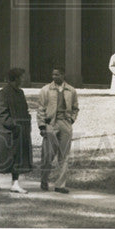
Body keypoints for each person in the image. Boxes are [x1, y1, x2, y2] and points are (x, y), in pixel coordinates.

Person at [0, 67, 33, 194]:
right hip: (8, 131)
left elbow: (25, 110)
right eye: (22, 77)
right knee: (5, 157)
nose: (23, 79)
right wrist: (13, 124)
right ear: (16, 78)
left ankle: (15, 184)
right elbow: (2, 113)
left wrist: (27, 122)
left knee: (18, 158)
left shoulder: (21, 93)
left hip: (21, 130)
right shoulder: (3, 93)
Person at [36, 66, 78, 194]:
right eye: (53, 75)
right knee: (48, 154)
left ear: (63, 75)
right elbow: (41, 109)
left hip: (65, 123)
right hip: (51, 124)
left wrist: (71, 120)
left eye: (57, 74)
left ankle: (60, 185)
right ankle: (44, 179)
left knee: (64, 155)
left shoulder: (71, 90)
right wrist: (42, 126)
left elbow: (75, 108)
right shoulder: (45, 90)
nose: (54, 77)